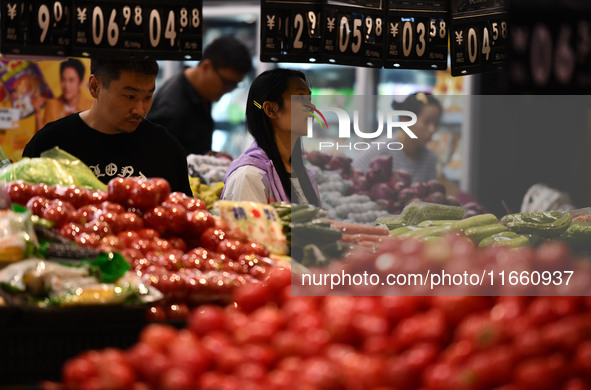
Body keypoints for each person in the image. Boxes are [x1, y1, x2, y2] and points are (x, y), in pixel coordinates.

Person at [22, 58, 192, 195]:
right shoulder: (50, 143)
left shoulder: (165, 150)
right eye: (129, 96)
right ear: (94, 87)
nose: (139, 110)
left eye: (147, 97)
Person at [221, 68, 320, 206]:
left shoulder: (304, 176)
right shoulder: (249, 176)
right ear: (270, 109)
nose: (312, 107)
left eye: (309, 99)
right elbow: (248, 227)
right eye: (301, 97)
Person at [147, 36, 253, 156]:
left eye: (235, 85)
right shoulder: (173, 108)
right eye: (227, 83)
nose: (229, 90)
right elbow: (157, 161)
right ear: (206, 67)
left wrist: (212, 157)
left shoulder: (201, 93)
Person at [353, 92, 443, 184]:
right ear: (405, 120)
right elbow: (352, 177)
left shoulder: (429, 159)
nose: (432, 129)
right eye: (426, 122)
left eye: (436, 123)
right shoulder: (382, 149)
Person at [32, 58, 93, 132]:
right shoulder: (52, 105)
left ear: (80, 84)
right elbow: (42, 140)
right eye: (63, 79)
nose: (66, 86)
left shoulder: (90, 107)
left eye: (71, 80)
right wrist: (38, 112)